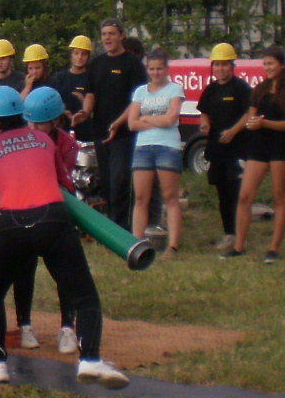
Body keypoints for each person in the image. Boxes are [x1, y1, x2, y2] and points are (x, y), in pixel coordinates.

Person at [0, 87, 127, 388]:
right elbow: (66, 185)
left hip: (11, 224)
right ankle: (90, 359)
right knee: (85, 296)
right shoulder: (44, 140)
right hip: (53, 218)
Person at [6, 86, 80, 355]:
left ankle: (67, 327)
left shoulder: (67, 145)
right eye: (30, 122)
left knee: (64, 270)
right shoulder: (20, 139)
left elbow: (59, 177)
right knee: (23, 268)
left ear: (55, 120)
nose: (33, 128)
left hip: (55, 210)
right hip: (24, 209)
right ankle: (24, 325)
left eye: (40, 123)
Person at [228, 46, 285, 263]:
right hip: (259, 145)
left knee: (279, 196)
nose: (267, 67)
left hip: (281, 146)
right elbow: (251, 116)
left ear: (282, 65)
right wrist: (250, 124)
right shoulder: (260, 88)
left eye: (271, 63)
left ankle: (273, 249)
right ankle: (239, 246)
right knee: (244, 195)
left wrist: (264, 123)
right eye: (265, 64)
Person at [82, 18, 148, 228]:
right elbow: (90, 95)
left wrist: (118, 123)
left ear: (121, 36)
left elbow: (137, 100)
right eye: (104, 34)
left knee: (120, 180)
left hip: (125, 134)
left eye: (111, 33)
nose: (107, 38)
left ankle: (122, 228)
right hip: (101, 132)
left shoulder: (133, 64)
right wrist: (84, 112)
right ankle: (112, 226)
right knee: (107, 181)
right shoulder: (96, 64)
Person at [125, 48, 185, 259]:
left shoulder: (175, 89)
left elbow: (171, 119)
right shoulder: (140, 92)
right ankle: (136, 244)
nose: (156, 72)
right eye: (152, 69)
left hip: (167, 147)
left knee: (170, 196)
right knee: (141, 197)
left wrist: (146, 119)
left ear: (166, 69)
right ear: (147, 69)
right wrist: (156, 120)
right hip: (143, 147)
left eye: (159, 68)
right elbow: (132, 123)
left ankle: (173, 246)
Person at [197, 43, 253, 252]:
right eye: (217, 65)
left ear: (232, 65)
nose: (220, 69)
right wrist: (205, 123)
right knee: (223, 193)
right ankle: (229, 233)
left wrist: (233, 131)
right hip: (217, 150)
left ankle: (241, 236)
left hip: (238, 148)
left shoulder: (241, 88)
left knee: (237, 191)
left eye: (224, 64)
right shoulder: (211, 90)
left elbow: (249, 113)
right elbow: (204, 112)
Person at [53, 36, 94, 133]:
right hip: (63, 131)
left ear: (88, 57)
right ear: (71, 55)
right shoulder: (59, 78)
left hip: (86, 132)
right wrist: (62, 110)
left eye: (84, 54)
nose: (80, 57)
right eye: (76, 53)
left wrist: (85, 103)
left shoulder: (92, 78)